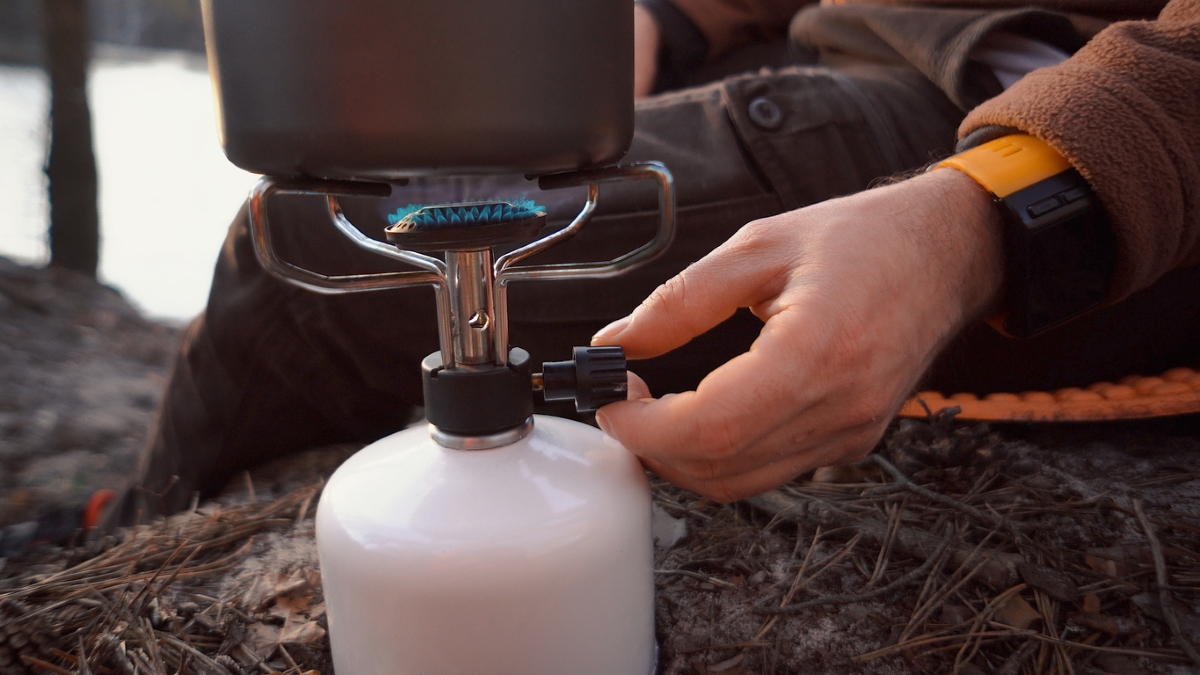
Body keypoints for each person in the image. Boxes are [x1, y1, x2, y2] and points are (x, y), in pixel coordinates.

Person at [122, 0, 1200, 520]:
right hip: (854, 44)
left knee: (297, 256)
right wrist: (666, 18)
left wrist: (980, 223)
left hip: (1081, 121)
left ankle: (130, 528)